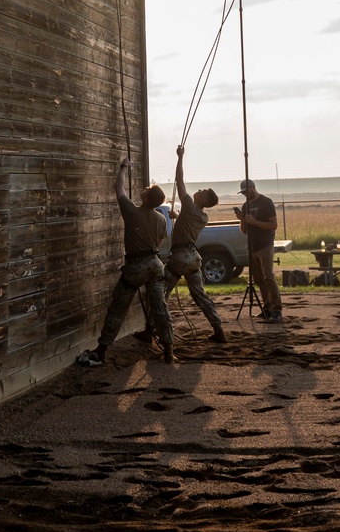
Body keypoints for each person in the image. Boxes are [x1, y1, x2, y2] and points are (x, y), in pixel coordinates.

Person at [77, 157, 174, 367]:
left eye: (147, 189)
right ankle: (168, 350)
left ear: (147, 198)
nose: (145, 189)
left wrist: (123, 167)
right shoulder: (161, 218)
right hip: (155, 265)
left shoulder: (132, 212)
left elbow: (119, 187)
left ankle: (101, 351)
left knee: (118, 308)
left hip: (136, 267)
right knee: (160, 307)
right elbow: (160, 241)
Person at [138, 146, 227, 346]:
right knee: (200, 295)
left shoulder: (188, 205)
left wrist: (180, 157)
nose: (199, 190)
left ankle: (149, 331)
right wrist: (178, 218)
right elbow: (188, 225)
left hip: (179, 258)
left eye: (202, 191)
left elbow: (179, 180)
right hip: (193, 258)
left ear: (203, 199)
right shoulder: (203, 216)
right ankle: (218, 329)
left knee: (161, 292)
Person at [237, 179, 283, 321]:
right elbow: (244, 231)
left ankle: (277, 309)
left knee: (268, 276)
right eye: (242, 192)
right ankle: (267, 307)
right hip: (252, 246)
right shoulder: (246, 206)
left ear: (253, 188)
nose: (244, 194)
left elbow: (273, 225)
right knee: (258, 279)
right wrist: (242, 220)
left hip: (265, 244)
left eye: (246, 191)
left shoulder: (266, 202)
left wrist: (254, 222)